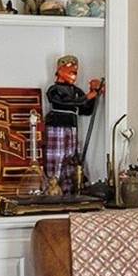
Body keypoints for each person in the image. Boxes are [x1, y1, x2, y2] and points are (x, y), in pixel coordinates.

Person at [42, 53, 104, 197]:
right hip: (57, 126)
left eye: (75, 71)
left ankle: (70, 190)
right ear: (60, 70)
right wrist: (87, 97)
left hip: (72, 127)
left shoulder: (76, 91)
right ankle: (52, 188)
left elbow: (86, 109)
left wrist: (94, 94)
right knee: (56, 158)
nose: (73, 74)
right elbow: (64, 102)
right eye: (70, 70)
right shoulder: (54, 89)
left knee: (71, 158)